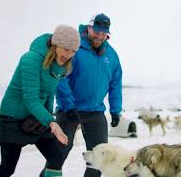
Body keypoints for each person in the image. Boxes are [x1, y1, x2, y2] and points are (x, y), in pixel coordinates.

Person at [0, 25, 80, 177]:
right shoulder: (31, 59)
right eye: (66, 49)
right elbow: (30, 98)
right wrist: (51, 122)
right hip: (13, 117)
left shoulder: (60, 66)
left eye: (73, 51)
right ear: (55, 44)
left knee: (57, 157)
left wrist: (48, 121)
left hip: (37, 117)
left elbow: (49, 94)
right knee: (7, 168)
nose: (69, 54)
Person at [40, 13, 122, 177]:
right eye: (96, 32)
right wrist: (69, 106)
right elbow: (61, 77)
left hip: (96, 112)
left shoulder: (111, 55)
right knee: (58, 153)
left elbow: (115, 83)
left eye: (103, 33)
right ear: (89, 28)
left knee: (98, 158)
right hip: (69, 110)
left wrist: (115, 109)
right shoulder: (74, 47)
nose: (99, 36)